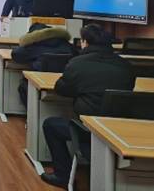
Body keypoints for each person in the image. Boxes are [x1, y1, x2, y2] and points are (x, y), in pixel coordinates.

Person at [41, 24, 135, 189]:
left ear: (85, 42)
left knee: (50, 125)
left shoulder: (77, 64)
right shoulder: (126, 66)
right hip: (119, 131)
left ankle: (63, 176)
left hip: (87, 130)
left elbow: (61, 89)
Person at [12, 23, 73, 106]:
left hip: (40, 85)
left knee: (23, 86)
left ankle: (31, 113)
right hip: (64, 86)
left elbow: (16, 54)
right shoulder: (66, 43)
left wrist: (26, 45)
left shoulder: (34, 44)